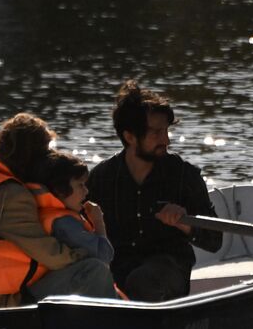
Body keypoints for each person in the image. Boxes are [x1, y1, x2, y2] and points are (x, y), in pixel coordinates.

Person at [0, 113, 118, 310]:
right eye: (46, 151)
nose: (50, 158)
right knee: (93, 271)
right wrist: (86, 256)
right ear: (34, 154)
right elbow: (49, 253)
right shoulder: (12, 194)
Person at [87, 80, 222, 302]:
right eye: (156, 133)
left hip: (168, 269)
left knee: (143, 281)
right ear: (130, 137)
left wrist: (184, 223)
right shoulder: (102, 178)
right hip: (116, 267)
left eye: (166, 131)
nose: (166, 140)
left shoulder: (184, 176)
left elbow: (215, 241)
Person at [34, 150, 114, 265]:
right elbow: (104, 255)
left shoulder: (42, 211)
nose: (86, 191)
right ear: (60, 190)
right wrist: (98, 221)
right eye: (80, 185)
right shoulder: (64, 223)